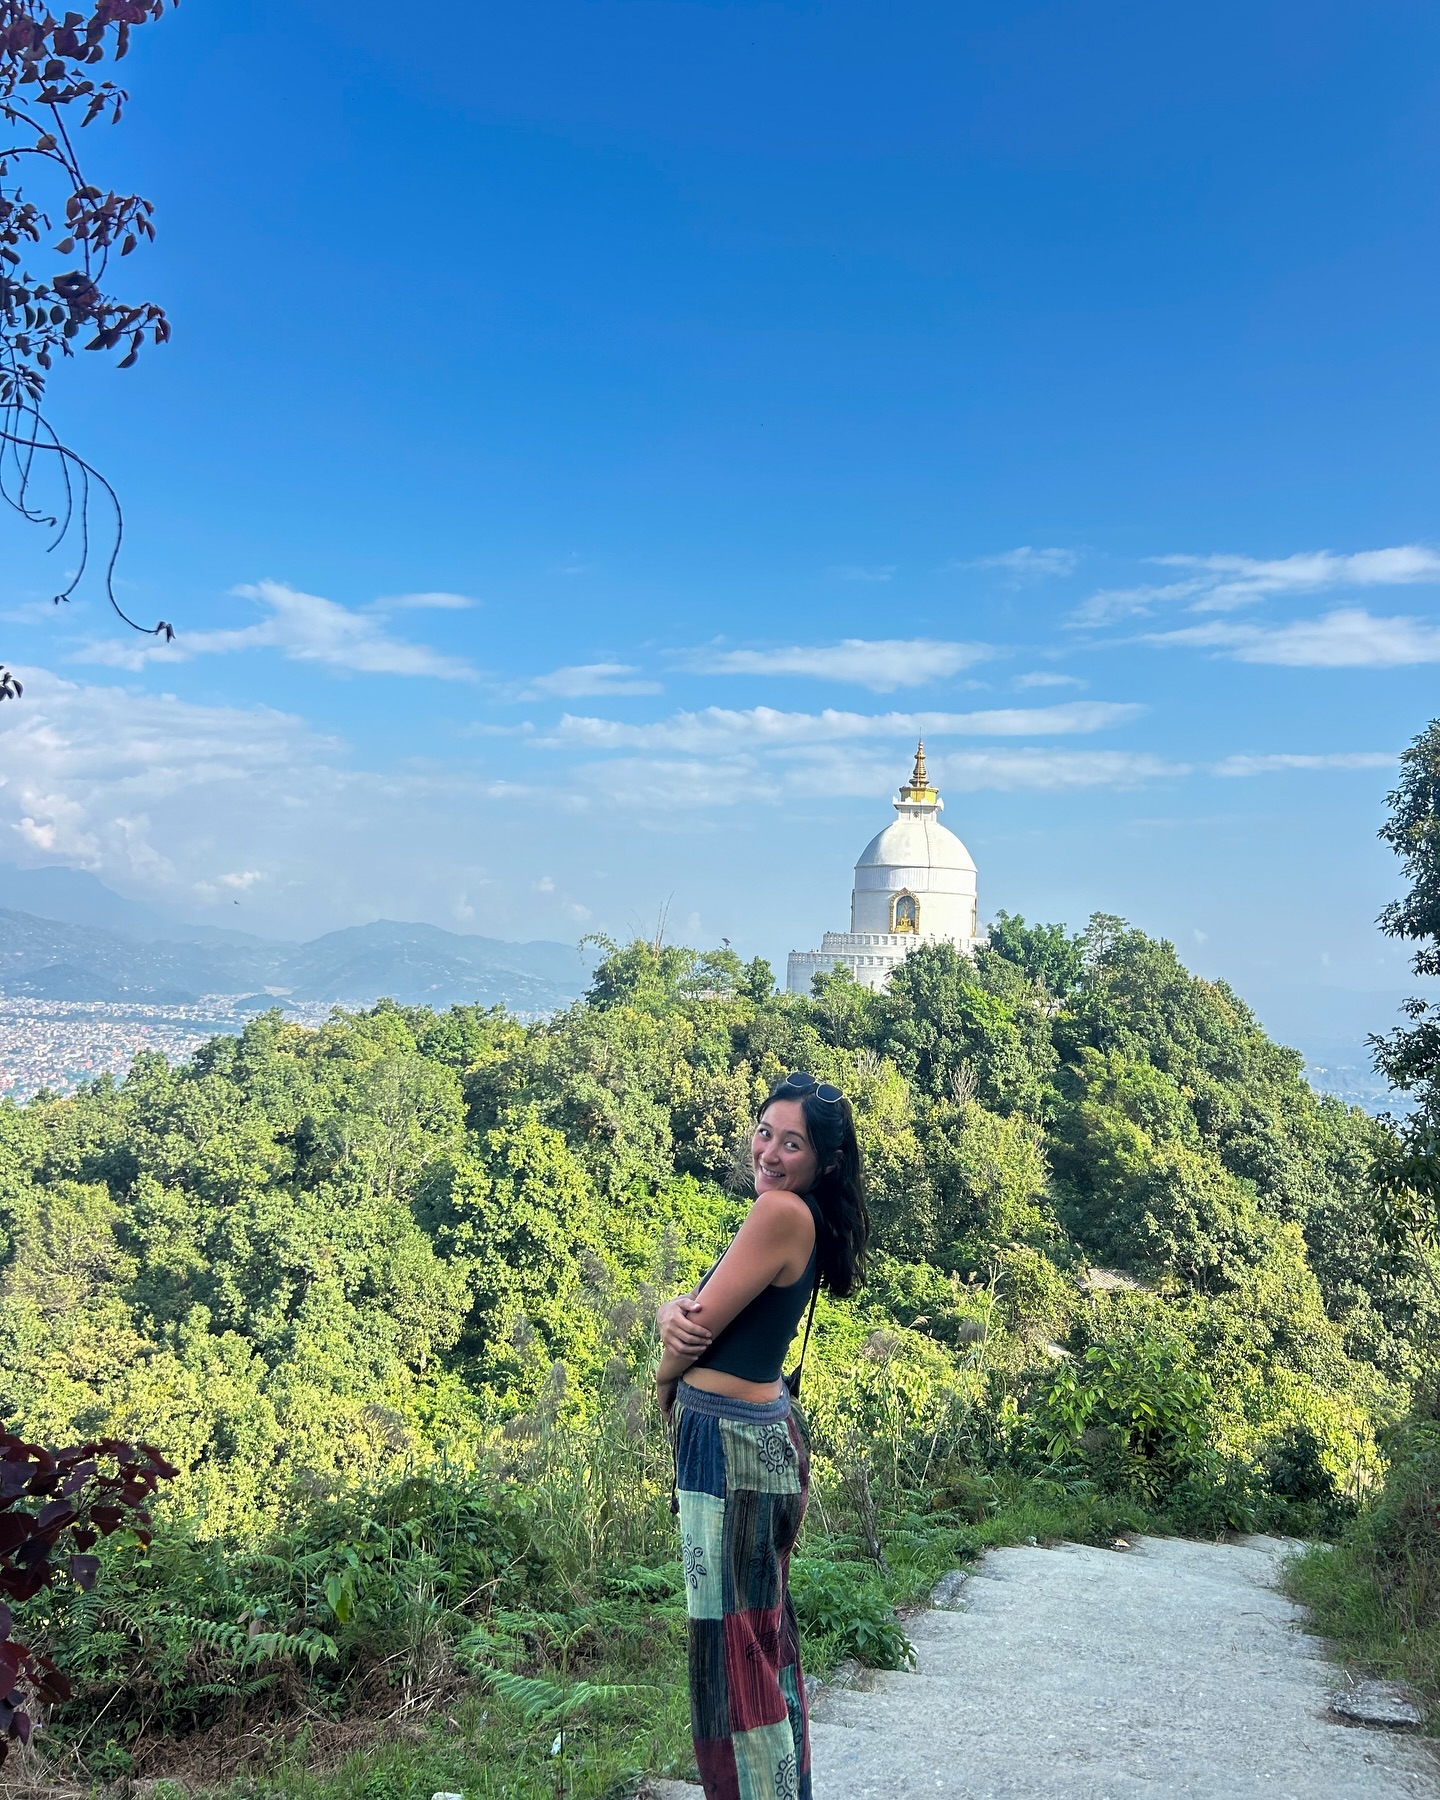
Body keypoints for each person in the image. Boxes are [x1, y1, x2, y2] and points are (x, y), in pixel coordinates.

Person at [655, 1071, 870, 1800]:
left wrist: (662, 1376)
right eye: (765, 1131)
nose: (771, 1153)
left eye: (793, 1143)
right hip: (756, 1441)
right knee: (759, 1640)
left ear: (824, 1162)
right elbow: (694, 1311)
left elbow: (696, 1331)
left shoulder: (779, 1213)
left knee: (732, 1654)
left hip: (730, 1449)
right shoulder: (796, 1215)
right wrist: (667, 1314)